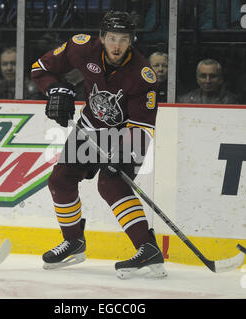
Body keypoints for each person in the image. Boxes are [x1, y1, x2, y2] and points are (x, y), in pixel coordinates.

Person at [31, 11, 167, 278]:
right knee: (60, 180)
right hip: (90, 129)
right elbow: (40, 68)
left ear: (132, 41)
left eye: (124, 39)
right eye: (112, 38)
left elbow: (142, 126)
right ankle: (73, 242)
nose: (117, 45)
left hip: (127, 134)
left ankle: (147, 248)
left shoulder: (142, 75)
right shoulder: (81, 47)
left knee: (111, 183)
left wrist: (124, 152)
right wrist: (54, 90)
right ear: (102, 37)